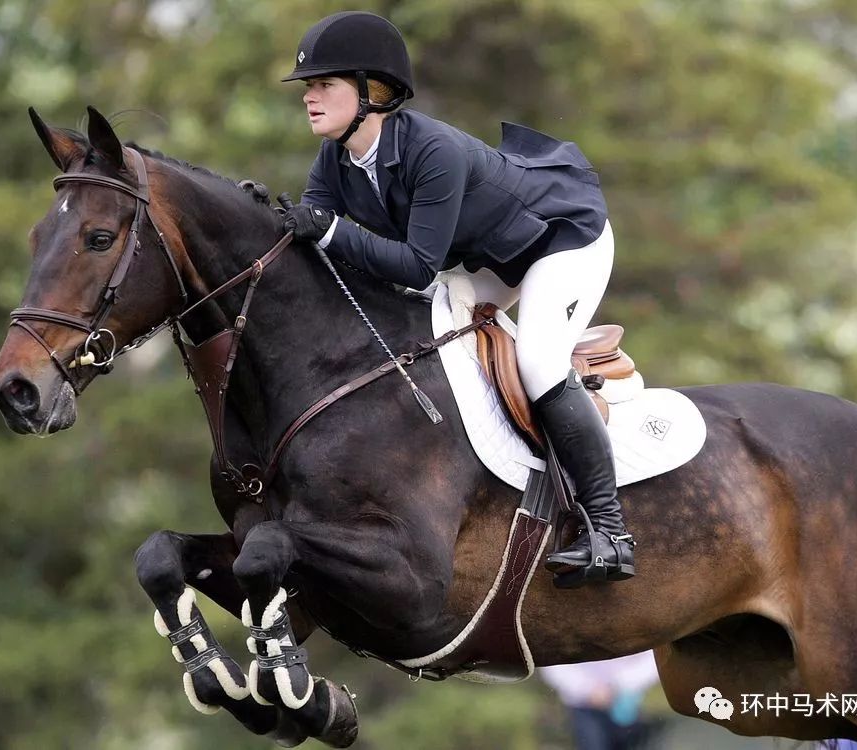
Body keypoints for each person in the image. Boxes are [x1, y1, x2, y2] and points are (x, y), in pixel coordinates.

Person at [280, 11, 635, 587]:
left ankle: (611, 532)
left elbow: (417, 267)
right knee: (428, 332)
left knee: (539, 364)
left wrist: (326, 230)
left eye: (324, 85)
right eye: (308, 88)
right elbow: (317, 239)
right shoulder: (337, 159)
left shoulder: (432, 151)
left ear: (372, 92)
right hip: (492, 259)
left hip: (562, 239)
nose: (309, 98)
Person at [538, 652, 663, 750]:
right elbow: (553, 665)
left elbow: (652, 659)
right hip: (584, 708)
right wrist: (587, 688)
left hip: (628, 705)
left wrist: (618, 685)